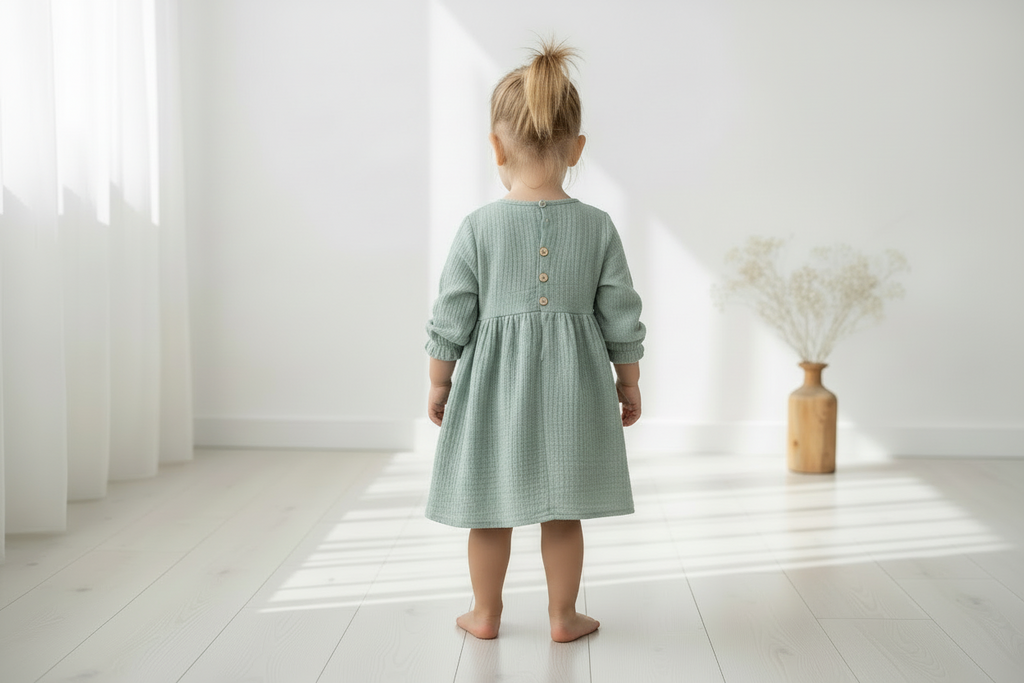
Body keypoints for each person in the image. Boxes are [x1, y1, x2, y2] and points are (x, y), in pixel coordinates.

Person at [425, 39, 645, 644]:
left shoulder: (478, 227)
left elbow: (452, 313)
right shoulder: (597, 227)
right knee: (563, 511)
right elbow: (621, 312)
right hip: (575, 390)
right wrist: (628, 381)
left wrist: (440, 380)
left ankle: (485, 613)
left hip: (492, 389)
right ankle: (563, 616)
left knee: (487, 509)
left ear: (496, 148)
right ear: (577, 148)